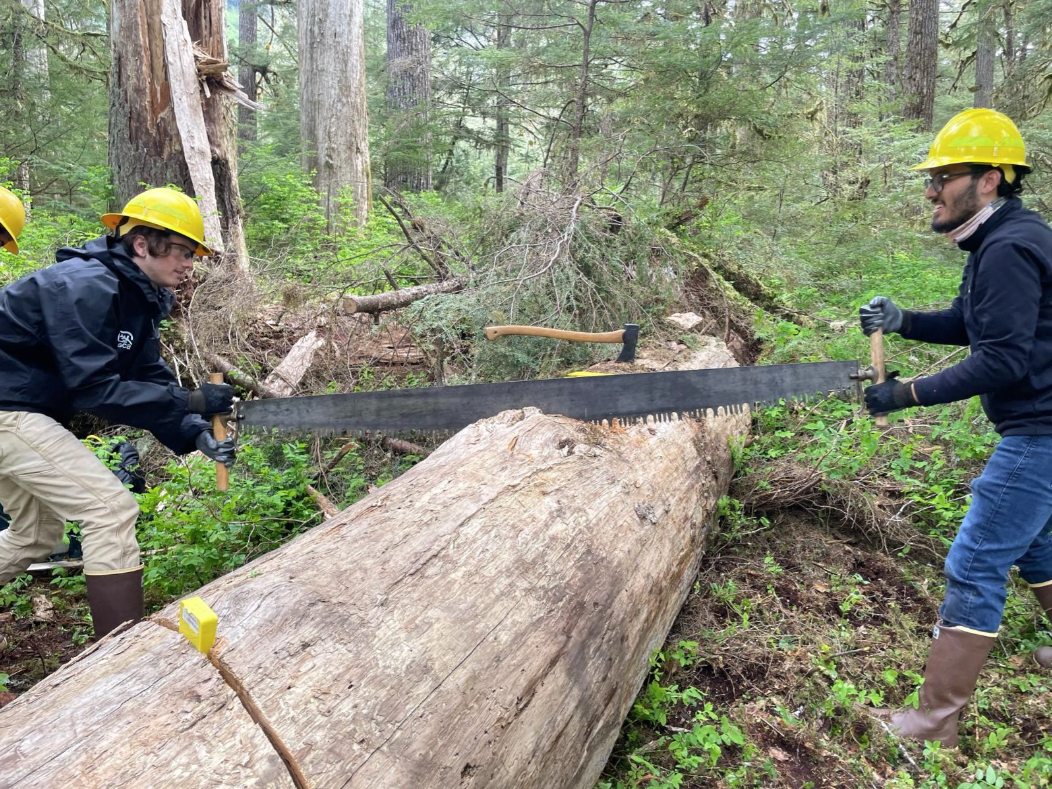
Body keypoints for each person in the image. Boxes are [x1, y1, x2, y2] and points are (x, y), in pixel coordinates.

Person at [859, 108, 1052, 747]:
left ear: (990, 179)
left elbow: (1001, 359)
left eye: (944, 176)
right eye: (932, 176)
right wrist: (906, 319)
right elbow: (980, 326)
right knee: (1036, 545)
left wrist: (904, 394)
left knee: (975, 560)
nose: (931, 189)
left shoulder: (1008, 247)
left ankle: (933, 722)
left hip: (1040, 433)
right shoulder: (1002, 239)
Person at [0, 187, 236, 638]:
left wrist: (193, 430)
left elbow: (147, 373)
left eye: (192, 256)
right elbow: (94, 389)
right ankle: (117, 656)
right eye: (183, 252)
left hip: (22, 413)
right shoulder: (84, 285)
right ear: (142, 244)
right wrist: (191, 401)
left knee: (36, 537)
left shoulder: (135, 296)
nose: (189, 265)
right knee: (110, 510)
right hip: (9, 412)